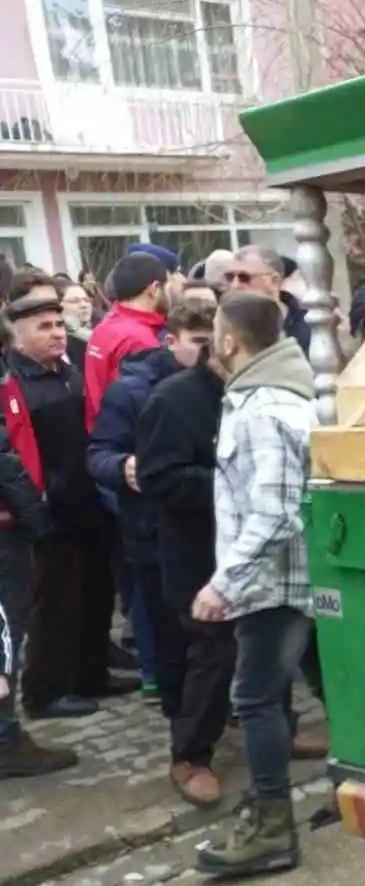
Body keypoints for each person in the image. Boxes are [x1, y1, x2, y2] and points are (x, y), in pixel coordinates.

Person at [193, 291, 315, 876]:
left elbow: (275, 512)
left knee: (255, 697)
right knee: (284, 693)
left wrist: (225, 583)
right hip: (274, 578)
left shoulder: (266, 408)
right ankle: (277, 806)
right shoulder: (259, 397)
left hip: (276, 582)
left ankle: (272, 828)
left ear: (229, 340)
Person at [87, 298, 215, 710]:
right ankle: (179, 714)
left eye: (214, 341)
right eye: (198, 341)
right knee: (168, 630)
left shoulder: (225, 384)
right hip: (152, 529)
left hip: (212, 525)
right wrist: (121, 465)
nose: (207, 351)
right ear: (170, 341)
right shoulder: (133, 390)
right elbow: (97, 453)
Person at [3, 289, 123, 719]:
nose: (57, 334)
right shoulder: (13, 383)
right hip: (46, 511)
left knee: (95, 595)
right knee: (54, 606)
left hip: (85, 500)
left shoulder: (69, 372)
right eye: (45, 327)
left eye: (58, 325)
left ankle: (92, 673)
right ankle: (45, 692)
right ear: (17, 337)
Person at [136, 308, 230, 807]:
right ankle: (190, 754)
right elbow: (158, 477)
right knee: (211, 652)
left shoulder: (256, 393)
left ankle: (279, 725)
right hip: (197, 548)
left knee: (276, 639)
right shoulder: (173, 400)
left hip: (255, 545)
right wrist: (233, 485)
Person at [84, 252, 170, 427]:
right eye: (166, 287)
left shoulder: (104, 326)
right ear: (153, 289)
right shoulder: (140, 340)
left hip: (102, 433)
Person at [225, 245, 310, 355]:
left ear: (275, 281)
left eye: (244, 277)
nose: (234, 285)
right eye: (230, 277)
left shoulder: (310, 325)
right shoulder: (224, 325)